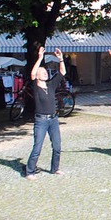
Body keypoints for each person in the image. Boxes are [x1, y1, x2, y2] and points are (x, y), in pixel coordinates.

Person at [25, 46, 67, 181]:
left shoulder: (50, 85)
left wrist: (60, 59)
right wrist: (40, 58)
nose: (45, 73)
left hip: (53, 119)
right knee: (37, 147)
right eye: (41, 72)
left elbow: (62, 73)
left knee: (57, 146)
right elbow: (32, 74)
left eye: (45, 71)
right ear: (37, 75)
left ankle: (55, 168)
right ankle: (29, 171)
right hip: (41, 121)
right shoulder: (36, 87)